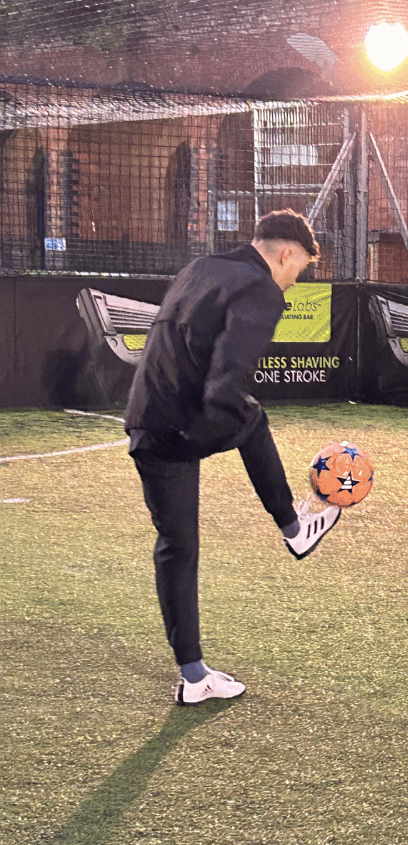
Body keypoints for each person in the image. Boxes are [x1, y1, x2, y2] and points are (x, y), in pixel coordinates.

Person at [125, 209, 340, 705]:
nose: (294, 281)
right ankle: (294, 529)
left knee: (177, 546)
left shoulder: (201, 267)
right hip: (184, 419)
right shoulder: (260, 288)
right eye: (299, 268)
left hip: (145, 419)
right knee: (251, 417)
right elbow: (227, 373)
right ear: (285, 253)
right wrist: (225, 413)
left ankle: (194, 677)